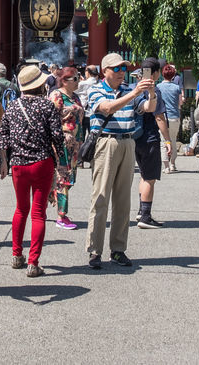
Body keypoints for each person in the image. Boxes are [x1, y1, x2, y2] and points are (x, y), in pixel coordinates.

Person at [0, 65, 64, 277]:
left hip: (18, 164)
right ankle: (33, 263)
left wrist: (4, 162)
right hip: (42, 162)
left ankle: (17, 255)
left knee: (20, 209)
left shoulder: (13, 107)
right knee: (38, 213)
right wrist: (61, 160)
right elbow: (57, 136)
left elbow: (3, 137)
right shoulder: (47, 106)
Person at [85, 53, 144, 268]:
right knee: (100, 196)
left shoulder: (130, 89)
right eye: (117, 69)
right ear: (105, 71)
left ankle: (118, 249)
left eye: (124, 69)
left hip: (128, 141)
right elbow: (107, 108)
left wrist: (151, 93)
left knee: (123, 200)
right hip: (105, 142)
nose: (122, 73)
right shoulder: (95, 89)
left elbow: (147, 108)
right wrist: (135, 92)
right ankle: (94, 250)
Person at [48, 66, 86, 230]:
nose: (78, 81)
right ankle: (61, 215)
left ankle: (43, 206)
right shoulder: (57, 95)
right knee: (63, 178)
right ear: (64, 80)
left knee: (67, 178)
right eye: (75, 78)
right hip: (61, 143)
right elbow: (51, 120)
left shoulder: (75, 97)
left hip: (75, 144)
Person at [132, 57, 164, 228]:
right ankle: (146, 216)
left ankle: (140, 211)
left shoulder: (135, 89)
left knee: (143, 176)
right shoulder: (154, 90)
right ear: (156, 73)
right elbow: (158, 116)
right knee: (150, 178)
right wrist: (168, 140)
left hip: (136, 136)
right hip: (150, 136)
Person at [156, 62, 184, 173]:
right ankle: (173, 164)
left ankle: (166, 167)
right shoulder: (176, 87)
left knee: (164, 141)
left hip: (163, 117)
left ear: (163, 74)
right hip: (175, 116)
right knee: (172, 139)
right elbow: (180, 102)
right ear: (173, 75)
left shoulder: (158, 87)